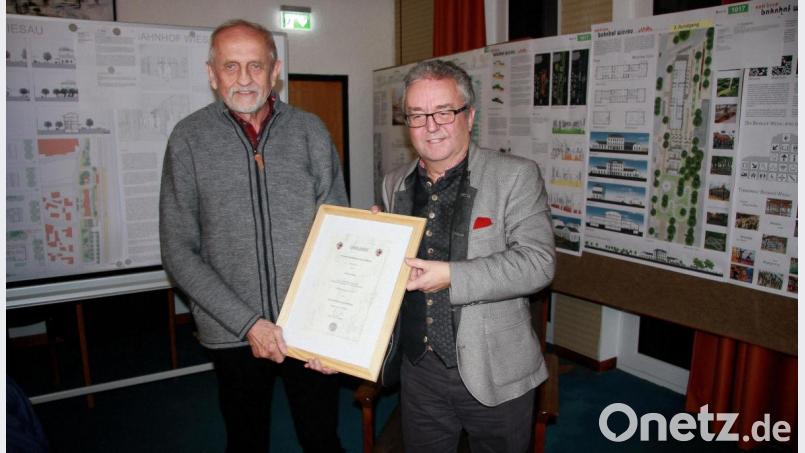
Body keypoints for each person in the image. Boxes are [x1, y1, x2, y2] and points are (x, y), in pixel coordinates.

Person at [159, 19, 347, 453]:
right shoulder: (188, 139)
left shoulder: (310, 131)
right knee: (245, 441)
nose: (244, 79)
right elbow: (178, 250)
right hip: (232, 330)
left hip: (309, 327)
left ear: (275, 70)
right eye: (230, 66)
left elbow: (337, 226)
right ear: (212, 74)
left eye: (255, 66)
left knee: (322, 439)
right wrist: (248, 324)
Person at [379, 59, 556, 453]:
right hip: (419, 368)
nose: (431, 125)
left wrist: (452, 275)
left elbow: (538, 263)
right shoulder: (394, 184)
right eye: (417, 115)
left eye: (444, 111)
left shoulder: (515, 175)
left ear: (469, 115)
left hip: (494, 366)